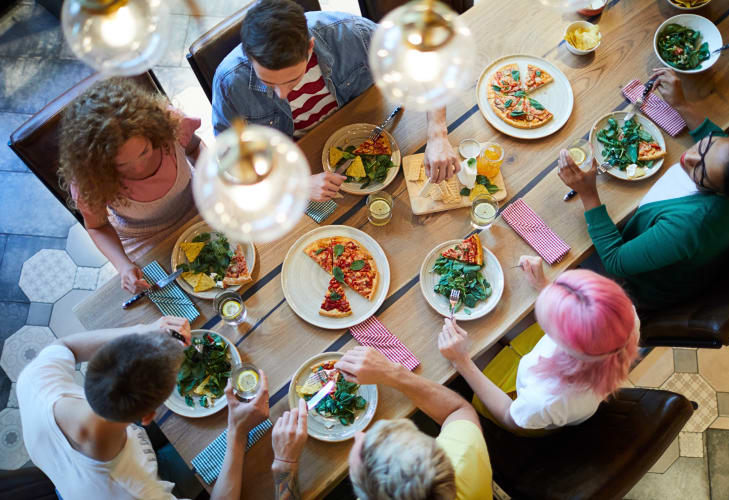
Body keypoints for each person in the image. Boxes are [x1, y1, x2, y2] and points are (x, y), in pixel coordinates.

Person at [212, 0, 460, 202]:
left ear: (309, 48)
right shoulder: (229, 84)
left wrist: (438, 135)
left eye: (293, 79)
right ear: (247, 55)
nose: (282, 94)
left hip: (371, 129)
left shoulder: (351, 33)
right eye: (268, 83)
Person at [17, 316, 269, 500]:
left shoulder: (34, 381)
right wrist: (237, 431)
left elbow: (65, 347)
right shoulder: (138, 494)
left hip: (66, 471)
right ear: (147, 416)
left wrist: (144, 330)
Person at [558, 67, 729, 310]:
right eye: (705, 146)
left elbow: (615, 261)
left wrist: (588, 193)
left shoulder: (691, 226)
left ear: (721, 192)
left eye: (701, 171)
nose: (689, 158)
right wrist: (681, 104)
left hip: (635, 287)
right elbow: (718, 142)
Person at [439, 258, 639, 433]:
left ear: (563, 340)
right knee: (498, 320)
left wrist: (462, 361)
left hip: (522, 407)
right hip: (553, 377)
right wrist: (547, 288)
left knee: (475, 342)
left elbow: (510, 417)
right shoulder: (625, 317)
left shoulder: (544, 398)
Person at [271, 346, 492, 499]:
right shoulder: (463, 458)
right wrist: (392, 372)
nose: (360, 434)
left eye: (363, 449)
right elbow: (459, 410)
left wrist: (284, 464)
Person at [59, 78, 203, 294]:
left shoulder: (170, 123)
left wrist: (213, 184)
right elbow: (97, 227)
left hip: (200, 204)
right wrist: (123, 266)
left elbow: (195, 149)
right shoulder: (89, 179)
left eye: (144, 152)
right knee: (179, 305)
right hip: (145, 239)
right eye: (122, 165)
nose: (138, 168)